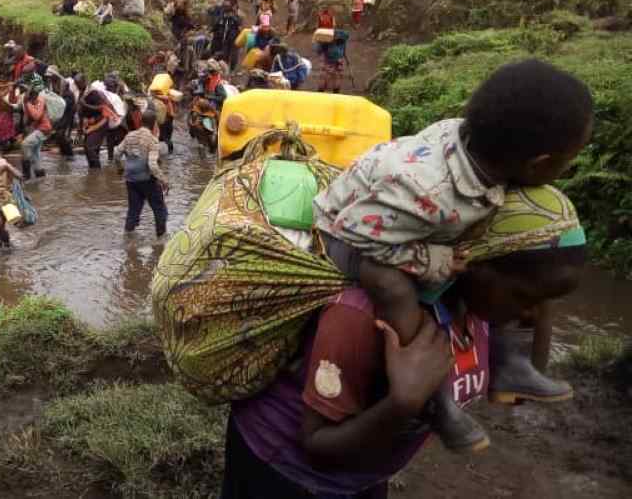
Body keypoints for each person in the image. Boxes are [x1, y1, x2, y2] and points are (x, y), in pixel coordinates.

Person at [223, 186, 588, 498]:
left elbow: (521, 388)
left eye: (549, 300)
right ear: (472, 264)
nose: (533, 314)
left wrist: (539, 307)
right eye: (527, 296)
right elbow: (317, 445)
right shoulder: (361, 315)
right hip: (287, 472)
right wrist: (403, 403)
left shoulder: (485, 309)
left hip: (367, 470)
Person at [313, 59, 594, 452]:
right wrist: (435, 261)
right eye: (569, 161)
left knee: (506, 257)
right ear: (540, 164)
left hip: (403, 223)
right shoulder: (427, 190)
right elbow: (356, 231)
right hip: (346, 235)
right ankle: (434, 394)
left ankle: (509, 361)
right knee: (388, 283)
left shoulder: (481, 154)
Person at [114, 108, 169, 240]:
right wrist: (164, 180)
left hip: (131, 180)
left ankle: (128, 238)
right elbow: (152, 165)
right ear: (154, 123)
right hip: (147, 180)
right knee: (159, 208)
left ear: (141, 121)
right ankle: (161, 240)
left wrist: (120, 168)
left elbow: (117, 153)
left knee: (133, 210)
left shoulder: (130, 135)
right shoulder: (152, 140)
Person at [19, 75, 52, 179]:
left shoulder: (40, 100)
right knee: (35, 154)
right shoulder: (28, 100)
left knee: (25, 145)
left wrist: (27, 103)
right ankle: (40, 175)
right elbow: (26, 119)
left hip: (44, 129)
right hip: (37, 129)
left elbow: (36, 116)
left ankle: (26, 175)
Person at [149, 73, 178, 155]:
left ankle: (167, 152)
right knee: (165, 138)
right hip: (165, 121)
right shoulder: (167, 96)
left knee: (164, 138)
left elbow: (167, 99)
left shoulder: (166, 97)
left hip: (164, 121)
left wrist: (155, 96)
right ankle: (170, 153)